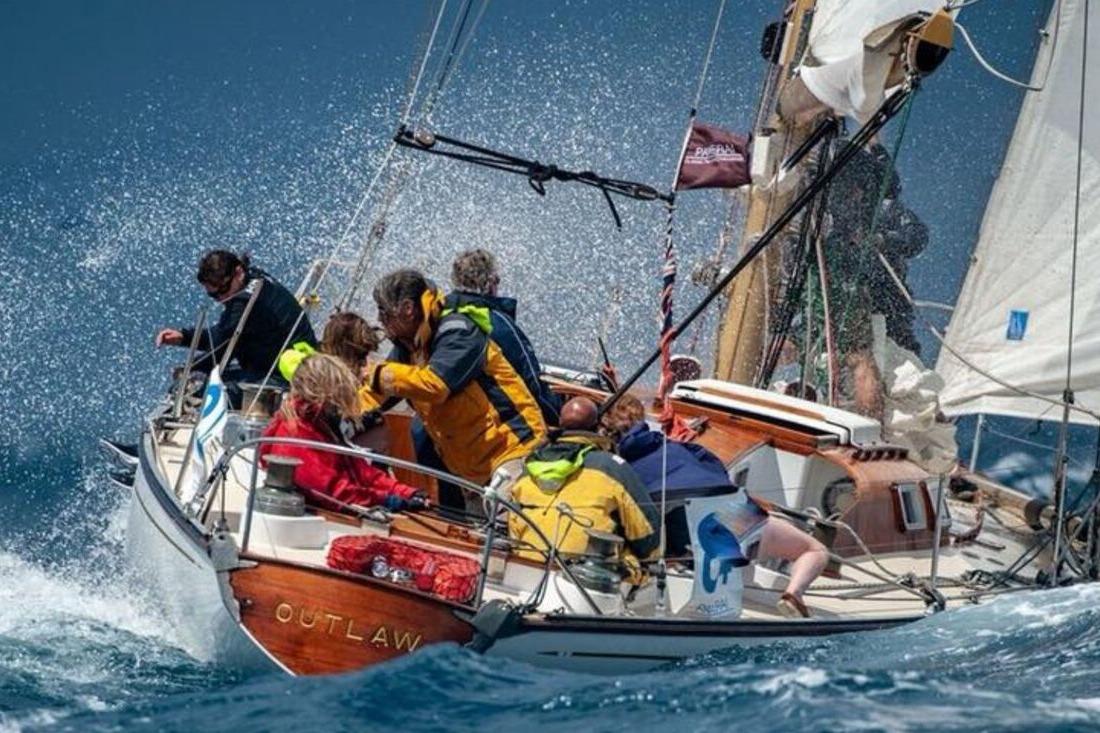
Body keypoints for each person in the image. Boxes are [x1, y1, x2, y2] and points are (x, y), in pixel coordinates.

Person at [603, 394, 828, 618]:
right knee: (814, 550)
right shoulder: (678, 448)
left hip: (675, 535)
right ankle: (793, 595)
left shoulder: (613, 462)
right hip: (727, 513)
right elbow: (718, 474)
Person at [364, 269, 547, 488]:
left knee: (503, 521)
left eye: (383, 312)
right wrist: (338, 410)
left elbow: (435, 385)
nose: (379, 319)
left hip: (511, 452)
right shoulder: (409, 346)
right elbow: (376, 394)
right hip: (472, 467)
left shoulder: (457, 331)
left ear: (407, 309)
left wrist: (376, 373)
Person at [509, 397, 660, 583]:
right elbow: (648, 537)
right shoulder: (612, 468)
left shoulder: (528, 469)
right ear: (597, 427)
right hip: (588, 580)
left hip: (527, 569)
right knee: (641, 565)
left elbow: (513, 530)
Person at [259, 354, 427, 513]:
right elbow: (330, 492)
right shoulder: (295, 431)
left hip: (345, 508)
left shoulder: (320, 423)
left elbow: (362, 472)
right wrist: (386, 500)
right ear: (324, 391)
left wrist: (406, 492)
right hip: (325, 515)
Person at [155, 250, 316, 401]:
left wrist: (188, 369)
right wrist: (184, 336)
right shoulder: (255, 276)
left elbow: (221, 346)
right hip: (296, 361)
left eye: (223, 290)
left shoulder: (244, 305)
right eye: (213, 295)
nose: (219, 298)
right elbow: (225, 335)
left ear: (238, 272)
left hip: (286, 376)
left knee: (197, 392)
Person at [447, 248, 561, 425]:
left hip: (443, 427)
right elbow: (532, 384)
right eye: (497, 280)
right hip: (494, 429)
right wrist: (558, 416)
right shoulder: (499, 324)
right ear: (491, 282)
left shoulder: (439, 315)